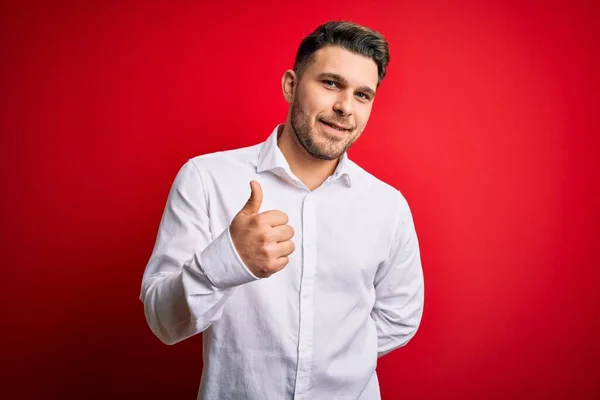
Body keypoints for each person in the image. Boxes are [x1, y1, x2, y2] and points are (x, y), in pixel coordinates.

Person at [139, 20, 425, 400]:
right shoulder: (206, 179)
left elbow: (399, 317)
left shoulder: (388, 206)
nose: (344, 107)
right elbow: (162, 321)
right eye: (330, 83)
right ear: (291, 85)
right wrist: (227, 261)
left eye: (362, 95)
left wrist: (337, 362)